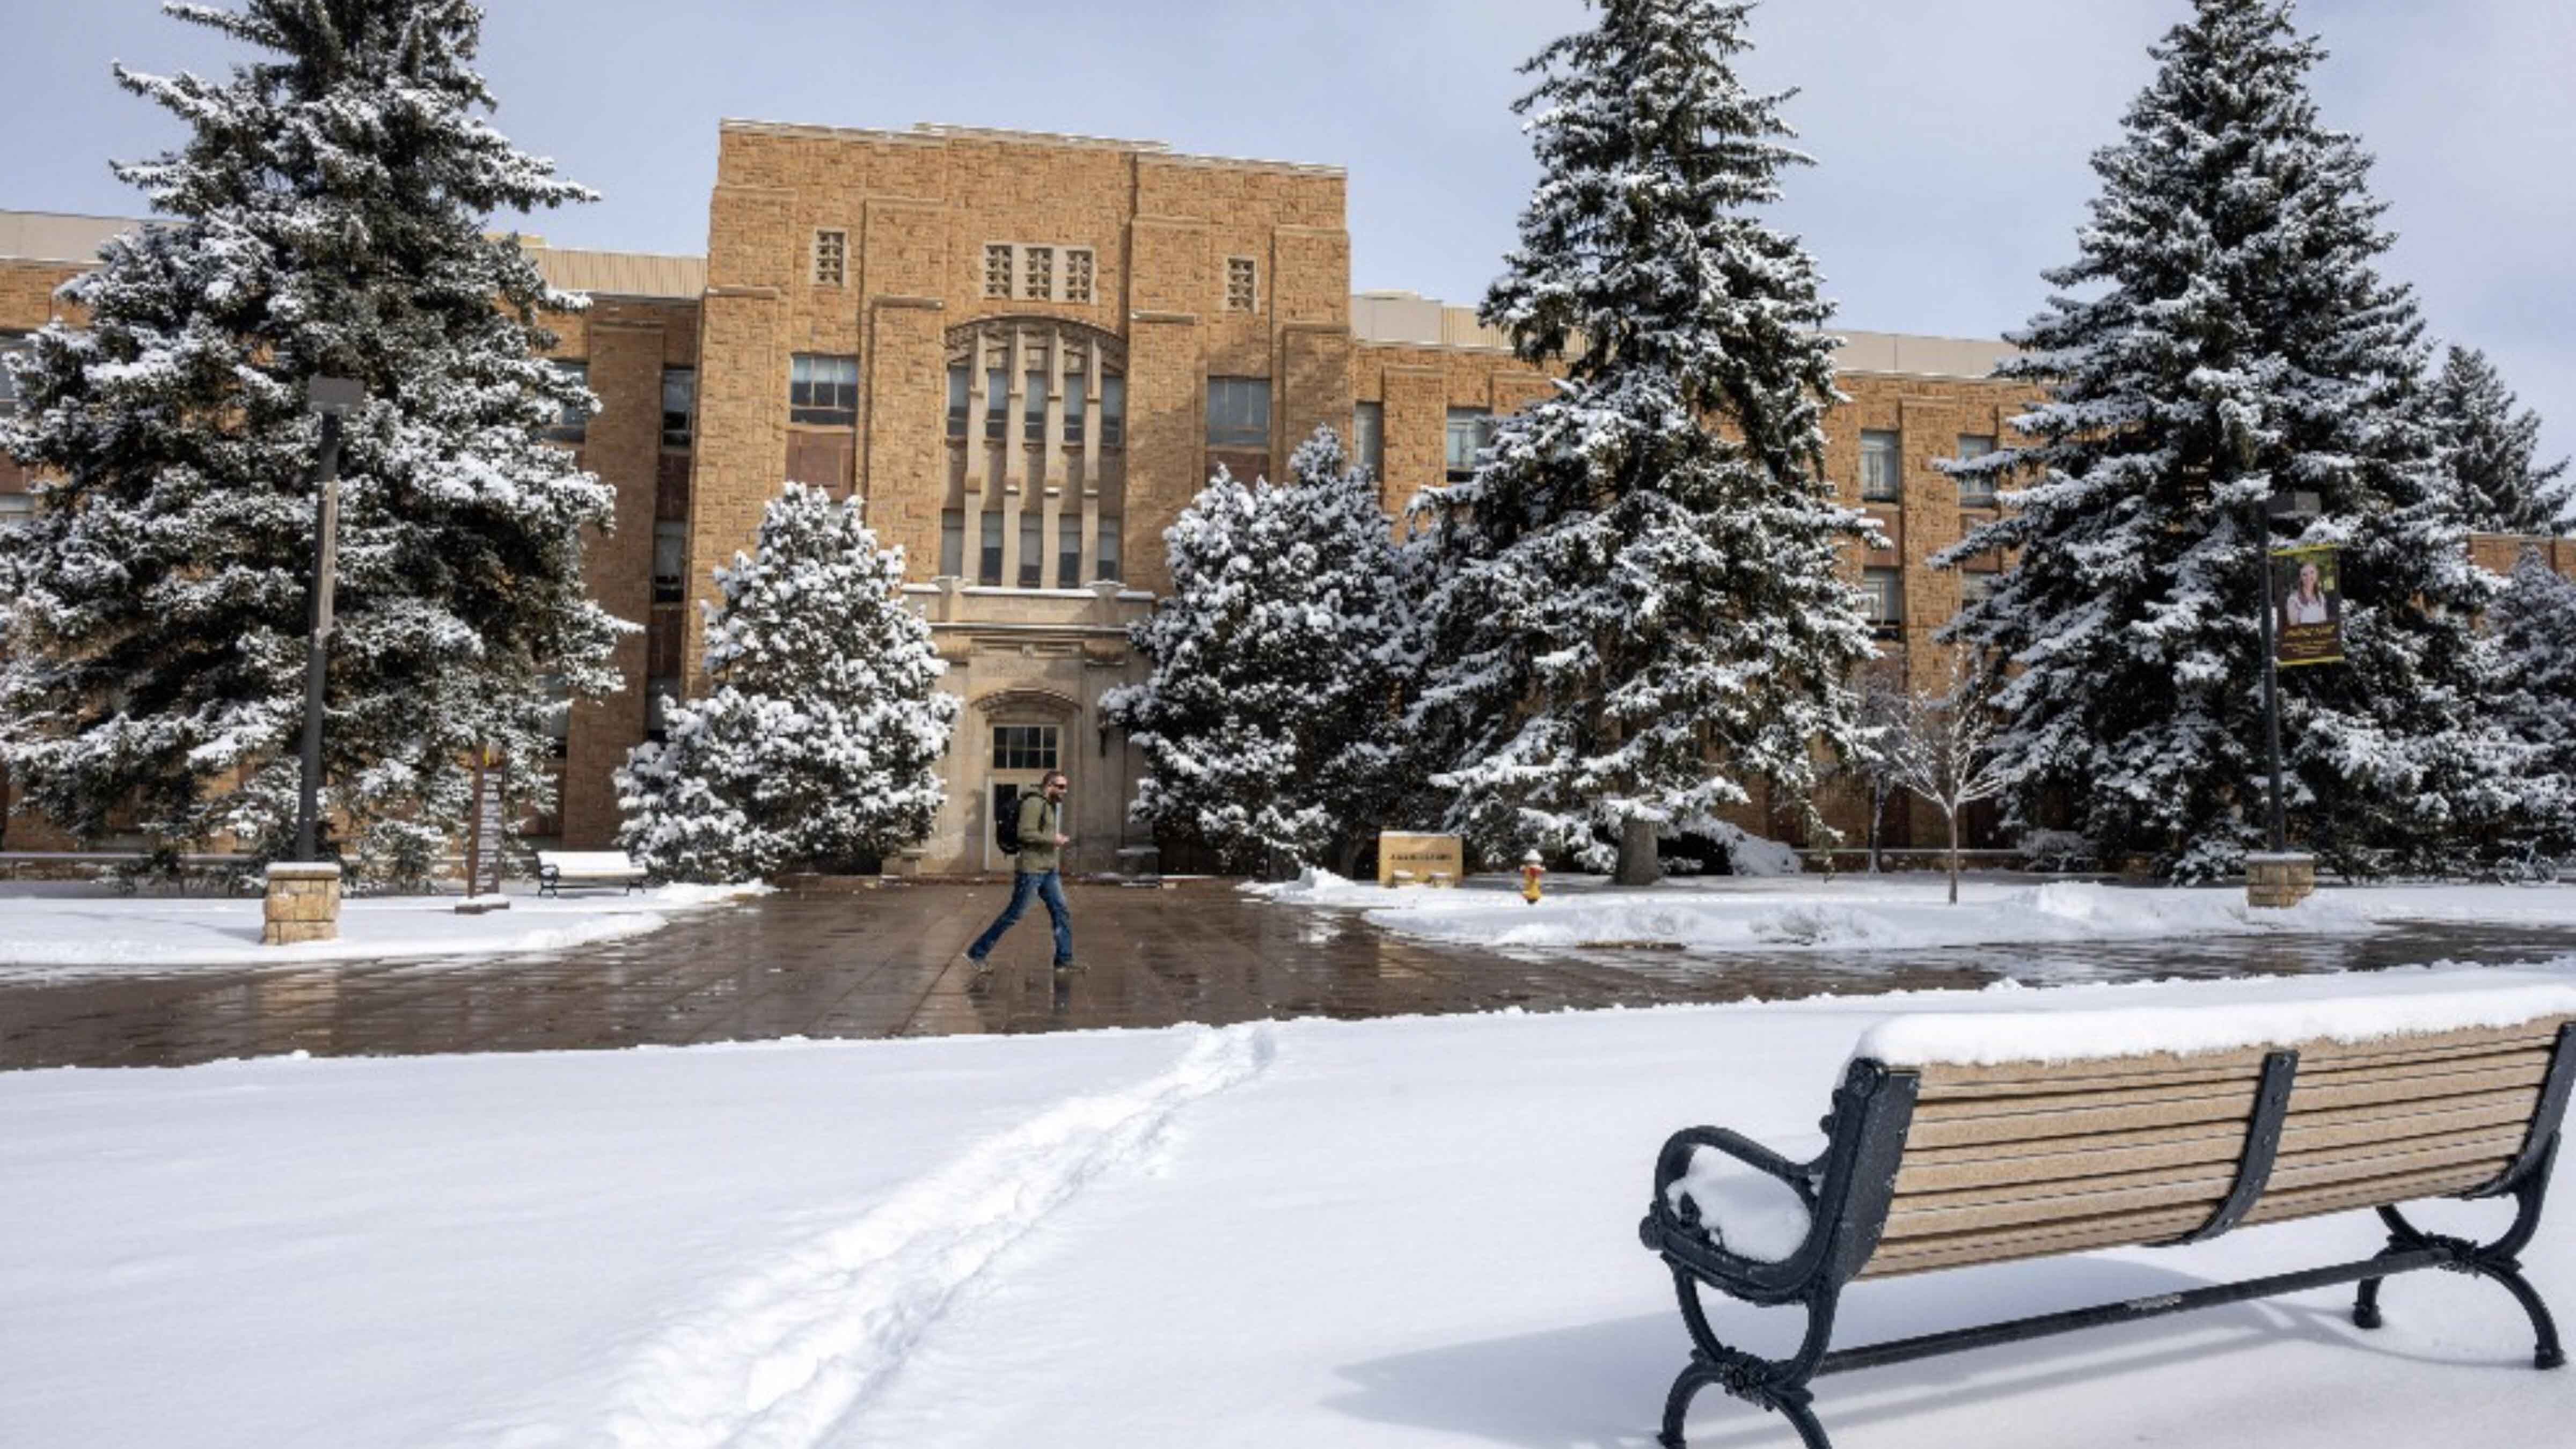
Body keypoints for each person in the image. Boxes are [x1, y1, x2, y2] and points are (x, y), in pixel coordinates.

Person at [965, 770, 1075, 972]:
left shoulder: (1049, 804)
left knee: (1061, 911)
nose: (1064, 791)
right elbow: (1025, 833)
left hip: (1048, 870)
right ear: (1049, 785)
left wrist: (1052, 838)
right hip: (1032, 870)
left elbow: (1039, 833)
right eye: (1061, 786)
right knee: (1014, 914)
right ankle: (977, 953)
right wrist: (1053, 839)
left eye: (1065, 787)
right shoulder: (1034, 803)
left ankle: (1064, 960)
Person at [2283, 560, 2331, 627]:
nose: (2309, 577)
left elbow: (2324, 622)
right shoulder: (2293, 600)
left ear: (2317, 575)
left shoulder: (2321, 597)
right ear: (2301, 578)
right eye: (2304, 575)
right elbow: (2294, 627)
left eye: (2312, 573)